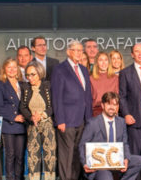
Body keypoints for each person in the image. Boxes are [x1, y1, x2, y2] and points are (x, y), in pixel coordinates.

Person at [79, 92, 141, 180]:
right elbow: (82, 145)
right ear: (102, 105)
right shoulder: (93, 123)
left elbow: (125, 143)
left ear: (118, 107)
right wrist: (84, 163)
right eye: (108, 104)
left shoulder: (121, 122)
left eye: (115, 105)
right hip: (100, 165)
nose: (112, 107)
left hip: (117, 160)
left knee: (139, 161)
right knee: (107, 177)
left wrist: (126, 159)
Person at [50, 40, 92, 180]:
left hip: (82, 120)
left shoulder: (84, 69)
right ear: (68, 52)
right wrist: (60, 120)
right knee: (66, 156)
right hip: (66, 121)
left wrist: (89, 120)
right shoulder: (60, 69)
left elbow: (87, 96)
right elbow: (57, 97)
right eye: (76, 50)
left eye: (81, 50)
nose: (79, 53)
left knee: (77, 155)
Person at [20, 61, 56, 180]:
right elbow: (23, 107)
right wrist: (32, 117)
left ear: (39, 73)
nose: (30, 78)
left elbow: (52, 106)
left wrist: (42, 115)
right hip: (32, 124)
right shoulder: (25, 87)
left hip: (47, 123)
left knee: (49, 155)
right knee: (33, 156)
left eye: (33, 74)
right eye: (27, 75)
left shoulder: (48, 86)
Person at [0, 58, 26, 180]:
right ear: (4, 70)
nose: (12, 70)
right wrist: (14, 117)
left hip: (22, 125)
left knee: (20, 156)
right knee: (10, 155)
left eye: (14, 67)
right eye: (9, 67)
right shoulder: (0, 85)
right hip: (9, 125)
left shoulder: (23, 85)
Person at [90, 52, 120, 117]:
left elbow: (118, 99)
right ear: (97, 63)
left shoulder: (115, 78)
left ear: (109, 62)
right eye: (101, 60)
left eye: (106, 60)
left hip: (112, 113)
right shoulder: (91, 79)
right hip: (96, 114)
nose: (104, 63)